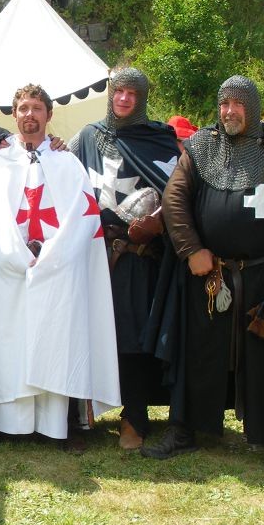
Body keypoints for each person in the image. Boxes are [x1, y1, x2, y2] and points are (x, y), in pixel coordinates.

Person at [143, 76, 264, 476]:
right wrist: (191, 249)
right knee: (198, 352)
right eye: (224, 104)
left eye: (237, 104)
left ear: (251, 108)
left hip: (262, 275)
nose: (229, 111)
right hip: (210, 276)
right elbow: (174, 198)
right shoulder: (202, 146)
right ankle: (185, 428)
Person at [0, 84, 121, 451]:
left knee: (58, 341)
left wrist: (49, 256)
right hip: (6, 272)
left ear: (49, 114)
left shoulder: (67, 163)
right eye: (23, 108)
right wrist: (15, 255)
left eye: (37, 108)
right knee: (4, 342)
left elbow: (83, 217)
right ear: (14, 115)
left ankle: (60, 425)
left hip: (57, 270)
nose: (30, 114)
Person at [72, 67, 179, 449]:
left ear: (141, 98)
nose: (123, 99)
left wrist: (158, 222)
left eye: (132, 93)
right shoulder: (88, 137)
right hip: (92, 250)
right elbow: (63, 174)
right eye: (118, 91)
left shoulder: (159, 140)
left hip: (135, 256)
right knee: (85, 331)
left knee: (132, 338)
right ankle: (80, 415)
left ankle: (134, 416)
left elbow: (178, 192)